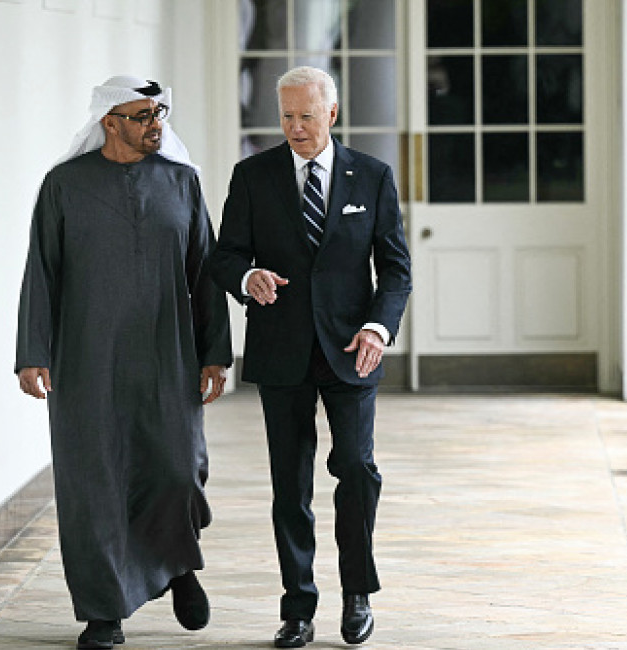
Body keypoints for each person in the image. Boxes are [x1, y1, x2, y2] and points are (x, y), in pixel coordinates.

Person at [14, 75, 232, 650]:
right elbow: (42, 271)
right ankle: (104, 612)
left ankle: (178, 565)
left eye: (159, 112)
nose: (155, 122)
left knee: (178, 470)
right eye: (142, 115)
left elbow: (204, 274)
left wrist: (215, 353)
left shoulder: (182, 183)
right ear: (110, 122)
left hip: (169, 355)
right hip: (86, 357)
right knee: (95, 483)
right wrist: (32, 352)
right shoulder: (64, 186)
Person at [207, 66, 412, 648]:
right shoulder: (252, 176)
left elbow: (395, 267)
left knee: (357, 470)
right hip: (282, 350)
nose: (296, 128)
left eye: (306, 116)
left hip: (353, 351)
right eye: (286, 117)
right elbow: (224, 257)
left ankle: (357, 594)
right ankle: (297, 607)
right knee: (289, 486)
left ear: (332, 113)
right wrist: (248, 277)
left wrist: (378, 326)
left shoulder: (371, 177)